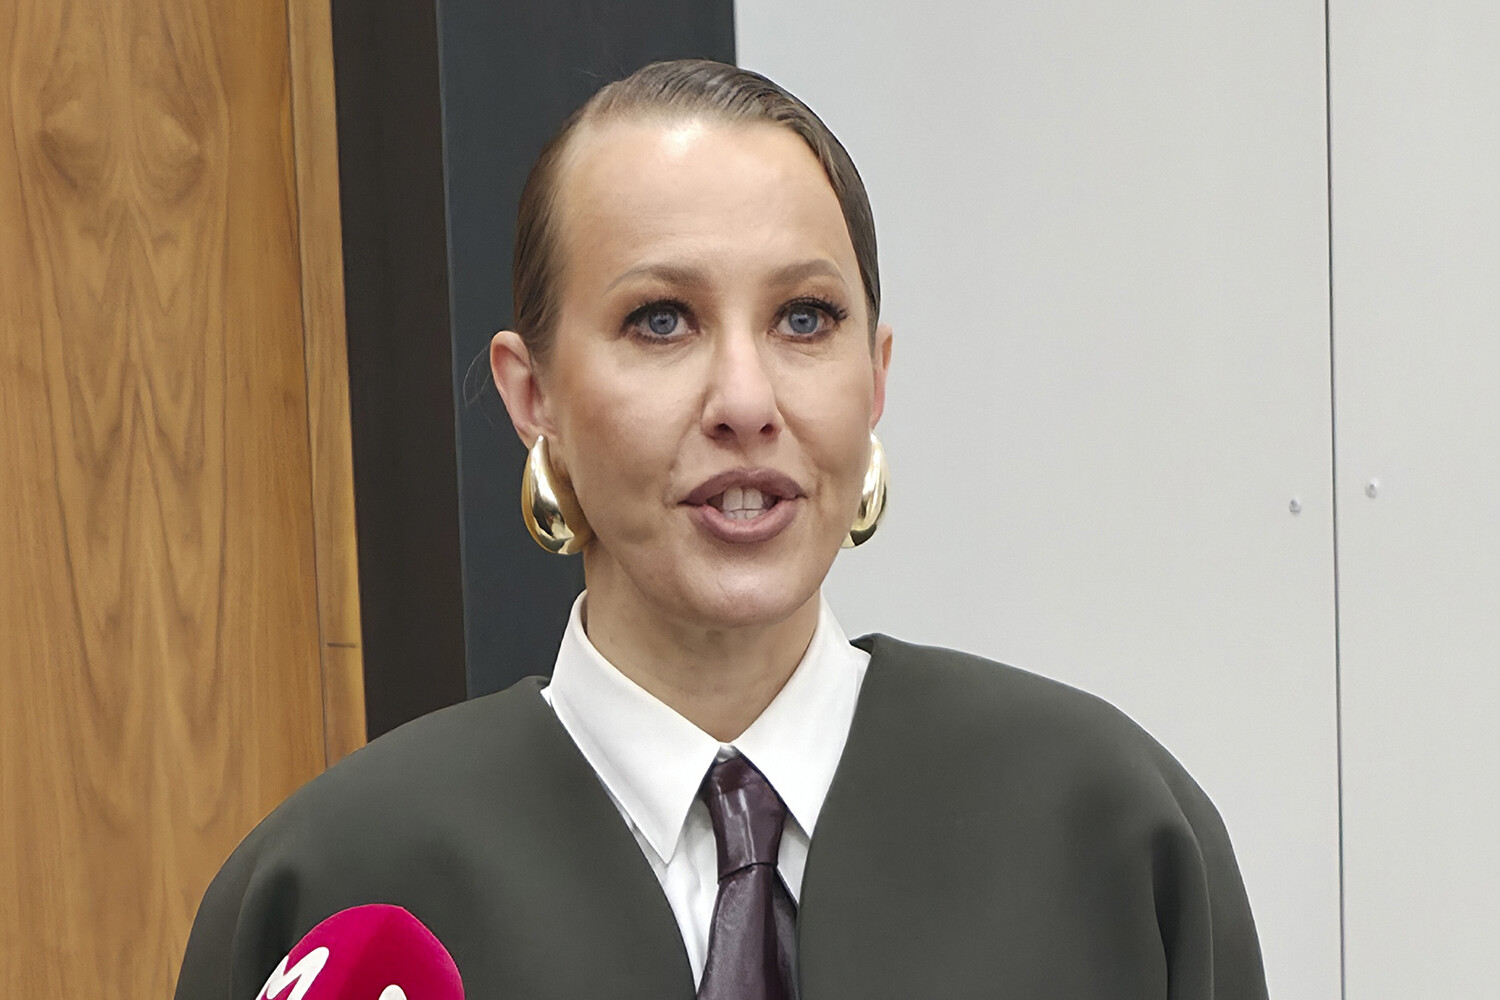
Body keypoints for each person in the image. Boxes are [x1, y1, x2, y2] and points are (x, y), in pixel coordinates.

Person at [175, 59, 1268, 999]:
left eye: (805, 319)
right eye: (662, 320)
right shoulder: (338, 886)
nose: (746, 400)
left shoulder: (1108, 833)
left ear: (875, 376)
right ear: (531, 393)